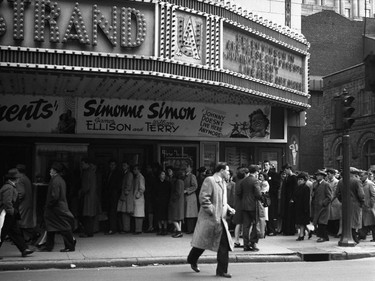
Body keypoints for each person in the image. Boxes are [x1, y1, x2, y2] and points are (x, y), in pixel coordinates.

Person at [187, 162, 235, 278]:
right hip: (211, 219)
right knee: (203, 242)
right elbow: (204, 198)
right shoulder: (210, 180)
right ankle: (192, 258)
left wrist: (228, 208)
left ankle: (222, 271)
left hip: (220, 220)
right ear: (222, 170)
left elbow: (222, 201)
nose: (229, 173)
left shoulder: (223, 183)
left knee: (223, 244)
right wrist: (213, 211)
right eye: (227, 170)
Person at [39, 162, 76, 252]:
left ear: (55, 171)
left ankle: (70, 245)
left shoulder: (55, 180)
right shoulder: (60, 179)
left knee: (63, 226)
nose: (50, 171)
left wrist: (49, 205)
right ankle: (49, 246)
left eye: (51, 169)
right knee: (51, 226)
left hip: (56, 208)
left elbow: (54, 196)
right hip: (58, 206)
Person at [0, 169, 34, 257]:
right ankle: (24, 249)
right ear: (15, 179)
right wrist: (12, 212)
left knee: (15, 232)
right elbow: (7, 202)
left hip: (9, 214)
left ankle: (24, 249)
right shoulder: (9, 187)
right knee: (2, 233)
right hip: (7, 214)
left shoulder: (10, 186)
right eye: (18, 178)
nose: (19, 179)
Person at [236, 164, 262, 251]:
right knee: (256, 224)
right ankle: (253, 242)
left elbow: (239, 193)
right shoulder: (255, 181)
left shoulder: (243, 181)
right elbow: (258, 194)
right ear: (256, 172)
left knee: (246, 226)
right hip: (253, 205)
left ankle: (246, 245)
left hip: (244, 205)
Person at [336, 167, 365, 244]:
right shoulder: (357, 181)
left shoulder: (341, 181)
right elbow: (361, 194)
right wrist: (362, 202)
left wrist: (342, 201)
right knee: (355, 221)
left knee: (346, 220)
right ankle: (354, 237)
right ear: (353, 173)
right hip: (355, 204)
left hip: (345, 204)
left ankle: (350, 236)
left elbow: (337, 193)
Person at [15, 164, 38, 243]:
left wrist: (15, 200)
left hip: (22, 204)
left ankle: (34, 235)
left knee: (22, 223)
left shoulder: (20, 179)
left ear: (17, 171)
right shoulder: (26, 178)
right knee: (23, 223)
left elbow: (21, 193)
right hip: (27, 203)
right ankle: (21, 239)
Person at [79, 158, 99, 238]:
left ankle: (88, 232)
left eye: (83, 164)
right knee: (90, 215)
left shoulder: (86, 172)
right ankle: (90, 232)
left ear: (87, 164)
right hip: (92, 196)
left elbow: (86, 186)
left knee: (87, 215)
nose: (82, 165)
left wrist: (81, 191)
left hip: (87, 196)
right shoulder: (92, 172)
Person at [311, 169, 333, 243]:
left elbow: (329, 196)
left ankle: (322, 236)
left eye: (319, 175)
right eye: (317, 175)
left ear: (323, 176)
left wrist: (324, 203)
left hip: (324, 207)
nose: (317, 177)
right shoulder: (316, 184)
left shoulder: (326, 184)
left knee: (322, 222)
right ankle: (325, 236)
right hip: (317, 206)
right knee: (318, 222)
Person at [103, 159, 123, 235]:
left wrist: (116, 193)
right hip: (109, 195)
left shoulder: (118, 173)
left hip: (114, 195)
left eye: (113, 165)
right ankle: (109, 228)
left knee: (113, 212)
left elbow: (118, 185)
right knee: (109, 212)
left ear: (116, 165)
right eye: (110, 165)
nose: (111, 166)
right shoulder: (108, 173)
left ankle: (113, 228)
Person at [262, 160, 280, 236]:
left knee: (271, 214)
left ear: (270, 165)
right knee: (265, 214)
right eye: (264, 165)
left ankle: (272, 230)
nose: (265, 166)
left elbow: (276, 185)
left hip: (271, 197)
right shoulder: (262, 174)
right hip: (264, 197)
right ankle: (265, 229)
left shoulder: (274, 174)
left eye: (267, 165)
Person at [280, 163, 297, 235]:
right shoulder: (287, 177)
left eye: (285, 170)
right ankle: (285, 230)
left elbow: (295, 189)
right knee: (286, 214)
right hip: (286, 198)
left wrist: (293, 198)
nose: (285, 172)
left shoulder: (293, 177)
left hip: (290, 198)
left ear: (289, 169)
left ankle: (290, 230)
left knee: (290, 215)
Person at [117, 161, 134, 233]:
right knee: (124, 212)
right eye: (123, 164)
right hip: (125, 195)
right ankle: (125, 228)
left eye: (125, 164)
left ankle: (126, 229)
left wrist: (125, 193)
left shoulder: (129, 174)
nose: (123, 166)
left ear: (128, 166)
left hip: (126, 196)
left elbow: (128, 185)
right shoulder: (125, 173)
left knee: (126, 212)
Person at [293, 172, 311, 241]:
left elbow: (306, 199)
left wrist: (306, 208)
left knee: (301, 223)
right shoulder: (297, 187)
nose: (299, 181)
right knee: (300, 222)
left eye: (301, 179)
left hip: (303, 208)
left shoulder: (306, 188)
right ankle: (309, 232)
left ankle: (301, 235)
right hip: (298, 207)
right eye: (299, 179)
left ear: (304, 180)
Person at [358, 170, 375, 241]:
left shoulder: (370, 184)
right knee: (362, 222)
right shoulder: (360, 183)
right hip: (362, 206)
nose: (360, 177)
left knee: (371, 223)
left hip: (368, 206)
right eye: (360, 176)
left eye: (361, 176)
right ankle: (362, 235)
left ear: (366, 176)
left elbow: (373, 195)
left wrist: (371, 204)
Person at [168, 170, 185, 238]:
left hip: (176, 202)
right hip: (180, 201)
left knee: (174, 217)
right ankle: (179, 230)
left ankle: (179, 231)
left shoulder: (178, 182)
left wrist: (172, 199)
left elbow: (177, 192)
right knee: (179, 218)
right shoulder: (182, 181)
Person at [154, 170, 171, 235]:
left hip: (165, 201)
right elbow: (154, 192)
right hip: (158, 201)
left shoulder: (168, 183)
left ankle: (165, 229)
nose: (162, 175)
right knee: (159, 216)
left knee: (165, 216)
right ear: (159, 175)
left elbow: (169, 192)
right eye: (161, 174)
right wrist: (156, 199)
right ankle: (160, 229)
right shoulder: (156, 183)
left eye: (164, 174)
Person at [184, 165, 198, 234]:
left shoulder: (192, 176)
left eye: (187, 167)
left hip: (191, 196)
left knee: (190, 214)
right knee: (187, 213)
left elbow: (195, 186)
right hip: (186, 196)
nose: (186, 168)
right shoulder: (185, 176)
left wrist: (187, 190)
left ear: (190, 169)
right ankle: (188, 228)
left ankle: (190, 229)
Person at [326, 168, 341, 237]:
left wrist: (330, 199)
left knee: (335, 217)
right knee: (330, 217)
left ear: (333, 174)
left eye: (329, 174)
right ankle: (331, 230)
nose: (327, 175)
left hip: (335, 202)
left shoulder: (336, 182)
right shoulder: (327, 182)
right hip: (330, 201)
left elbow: (335, 192)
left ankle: (336, 231)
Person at [132, 165, 145, 234]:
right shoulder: (137, 177)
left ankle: (138, 230)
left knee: (138, 214)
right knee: (137, 214)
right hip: (137, 198)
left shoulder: (140, 177)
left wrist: (138, 195)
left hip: (139, 198)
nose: (134, 171)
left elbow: (142, 188)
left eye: (135, 169)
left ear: (139, 170)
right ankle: (137, 229)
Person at [257, 172, 269, 238]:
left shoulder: (264, 183)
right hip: (263, 200)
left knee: (263, 216)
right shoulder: (261, 183)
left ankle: (263, 231)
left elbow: (262, 191)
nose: (259, 177)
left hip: (263, 200)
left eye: (261, 176)